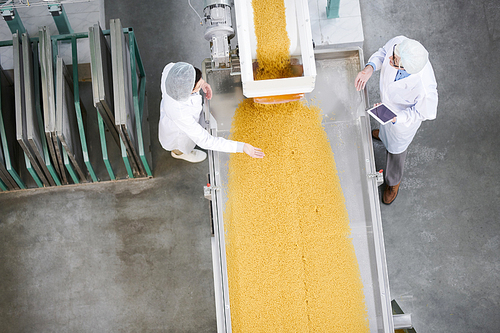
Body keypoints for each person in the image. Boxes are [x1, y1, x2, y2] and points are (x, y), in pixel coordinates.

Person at [355, 36, 438, 204]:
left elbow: (422, 113)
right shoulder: (400, 44)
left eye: (395, 61)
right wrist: (369, 68)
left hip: (402, 123)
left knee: (396, 153)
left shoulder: (424, 88)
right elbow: (383, 53)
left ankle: (393, 183)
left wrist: (397, 118)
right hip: (386, 109)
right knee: (384, 130)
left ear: (408, 69)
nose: (390, 59)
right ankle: (384, 135)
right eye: (394, 54)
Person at [159, 62, 265, 163]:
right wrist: (241, 147)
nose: (199, 86)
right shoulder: (179, 113)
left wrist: (203, 83)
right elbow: (205, 141)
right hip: (178, 135)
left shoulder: (173, 70)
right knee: (180, 147)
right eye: (197, 87)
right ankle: (179, 154)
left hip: (182, 117)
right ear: (189, 92)